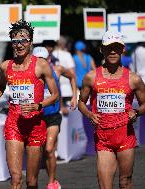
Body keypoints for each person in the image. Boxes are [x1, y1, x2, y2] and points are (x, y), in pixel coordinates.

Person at [0, 20, 59, 189]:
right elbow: (1, 86)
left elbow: (55, 95)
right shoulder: (5, 66)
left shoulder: (41, 65)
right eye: (15, 41)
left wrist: (38, 105)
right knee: (15, 178)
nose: (19, 45)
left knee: (32, 181)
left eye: (23, 41)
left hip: (35, 125)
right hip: (14, 123)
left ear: (30, 42)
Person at [78, 30, 145, 189]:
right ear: (102, 49)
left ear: (123, 49)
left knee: (125, 181)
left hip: (125, 136)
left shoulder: (134, 79)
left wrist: (136, 112)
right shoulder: (91, 77)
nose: (113, 51)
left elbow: (144, 104)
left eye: (116, 47)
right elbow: (81, 102)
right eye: (109, 47)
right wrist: (88, 113)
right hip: (103, 138)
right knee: (104, 185)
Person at [33, 46, 77, 189]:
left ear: (49, 59)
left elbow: (72, 76)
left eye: (43, 59)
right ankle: (34, 182)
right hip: (36, 117)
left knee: (49, 149)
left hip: (52, 116)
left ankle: (52, 182)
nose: (40, 62)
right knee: (38, 153)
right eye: (37, 59)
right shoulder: (30, 73)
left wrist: (74, 96)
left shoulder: (57, 69)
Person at [52, 36, 76, 113]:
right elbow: (72, 73)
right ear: (63, 44)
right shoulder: (67, 55)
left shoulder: (51, 54)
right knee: (67, 117)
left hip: (53, 89)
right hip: (67, 89)